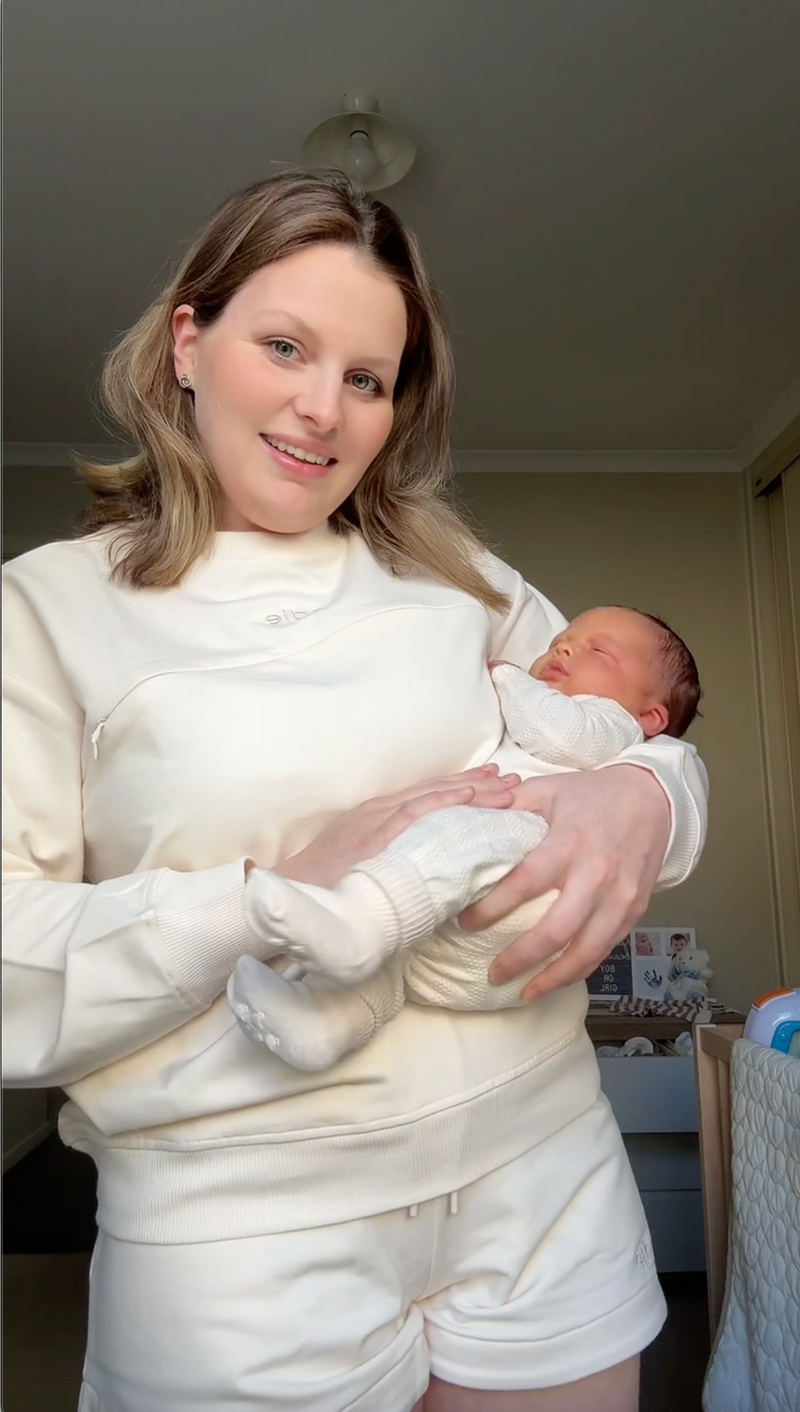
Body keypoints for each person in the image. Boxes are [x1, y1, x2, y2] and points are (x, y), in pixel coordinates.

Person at [2, 172, 708, 1412]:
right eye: (284, 346)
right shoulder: (48, 609)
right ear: (187, 343)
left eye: (368, 378)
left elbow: (623, 731)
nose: (321, 409)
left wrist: (644, 797)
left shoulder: (455, 574)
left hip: (543, 1167)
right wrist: (268, 895)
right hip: (240, 1230)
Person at [230, 606, 702, 1070]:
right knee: (389, 967)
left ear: (651, 716)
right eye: (562, 642)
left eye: (597, 650)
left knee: (454, 832)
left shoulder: (613, 722)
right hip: (475, 956)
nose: (563, 648)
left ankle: (357, 921)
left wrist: (507, 676)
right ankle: (325, 1023)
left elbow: (560, 733)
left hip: (527, 883)